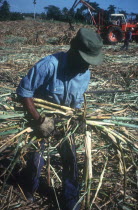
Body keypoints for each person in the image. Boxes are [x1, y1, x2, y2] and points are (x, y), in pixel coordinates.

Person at [16, 28, 103, 210]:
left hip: (65, 122)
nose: (86, 66)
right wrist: (39, 120)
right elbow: (24, 92)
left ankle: (71, 201)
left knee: (70, 160)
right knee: (36, 159)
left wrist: (78, 118)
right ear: (73, 51)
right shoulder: (49, 65)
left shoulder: (84, 73)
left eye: (89, 62)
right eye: (84, 60)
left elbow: (78, 100)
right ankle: (28, 191)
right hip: (40, 120)